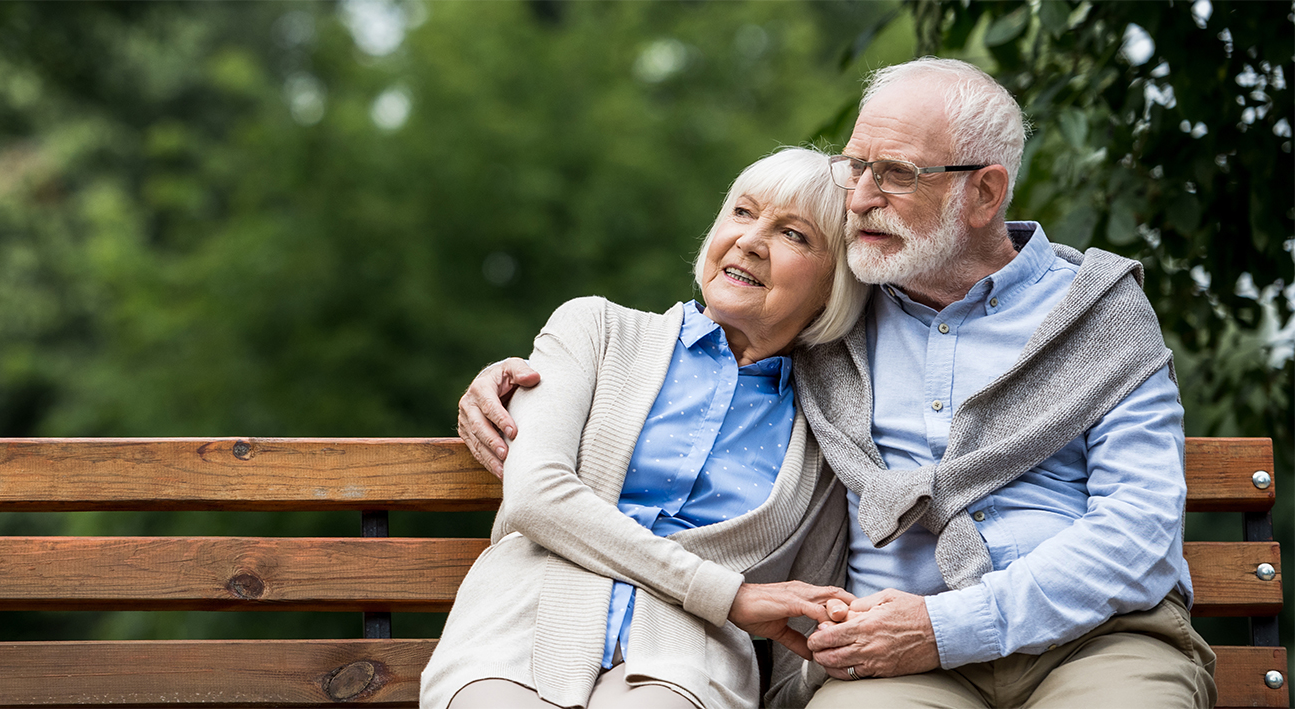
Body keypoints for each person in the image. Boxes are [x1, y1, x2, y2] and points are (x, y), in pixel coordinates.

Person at [458, 58, 1216, 709]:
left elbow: (1140, 529)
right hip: (890, 659)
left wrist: (946, 625)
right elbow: (718, 331)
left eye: (894, 175)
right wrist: (519, 381)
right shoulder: (836, 318)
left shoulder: (1099, 311)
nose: (857, 198)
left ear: (985, 194)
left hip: (1096, 639)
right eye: (856, 166)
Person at [421, 147, 869, 709]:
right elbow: (536, 496)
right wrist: (728, 595)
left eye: (794, 235)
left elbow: (797, 646)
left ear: (836, 284)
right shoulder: (595, 330)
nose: (751, 241)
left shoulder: (825, 429)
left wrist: (828, 660)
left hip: (685, 671)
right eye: (743, 212)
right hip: (518, 634)